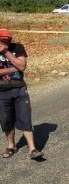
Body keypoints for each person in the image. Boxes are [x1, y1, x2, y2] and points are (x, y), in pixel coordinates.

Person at [0, 29, 44, 159]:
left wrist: (6, 52)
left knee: (25, 118)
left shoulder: (17, 47)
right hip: (1, 91)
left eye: (7, 40)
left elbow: (22, 66)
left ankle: (32, 148)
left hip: (19, 89)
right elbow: (18, 66)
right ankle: (11, 146)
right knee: (6, 120)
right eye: (2, 40)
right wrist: (13, 68)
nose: (4, 43)